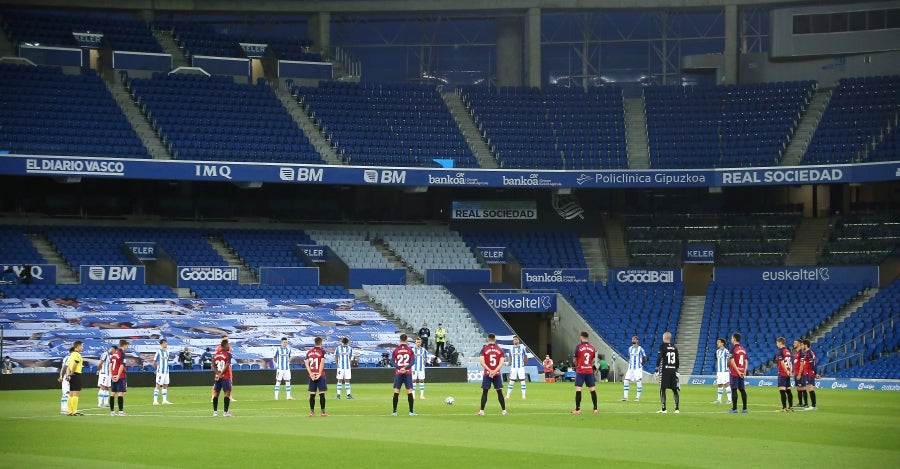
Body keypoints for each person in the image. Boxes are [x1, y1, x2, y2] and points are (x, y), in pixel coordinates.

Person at [477, 333, 507, 416]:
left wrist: (490, 371)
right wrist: (494, 371)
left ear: (488, 339)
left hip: (487, 374)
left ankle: (482, 411)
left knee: (485, 392)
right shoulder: (500, 349)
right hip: (496, 374)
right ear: (495, 339)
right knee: (499, 392)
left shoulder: (484, 349)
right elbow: (502, 363)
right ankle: (504, 410)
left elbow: (481, 362)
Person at [571, 331, 599, 414]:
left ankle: (577, 409)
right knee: (592, 389)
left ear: (581, 337)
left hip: (581, 370)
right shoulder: (592, 347)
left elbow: (575, 359)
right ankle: (595, 408)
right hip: (589, 370)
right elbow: (593, 359)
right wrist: (589, 365)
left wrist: (577, 366)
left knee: (578, 389)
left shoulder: (579, 347)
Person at [390, 334, 417, 416]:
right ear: (407, 340)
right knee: (409, 391)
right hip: (407, 373)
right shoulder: (410, 350)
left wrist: (399, 368)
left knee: (396, 391)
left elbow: (391, 362)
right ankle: (411, 411)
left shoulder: (396, 350)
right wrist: (405, 368)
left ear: (400, 340)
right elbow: (413, 362)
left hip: (398, 373)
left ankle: (394, 412)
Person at [656, 332, 680, 414]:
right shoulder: (674, 347)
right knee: (674, 389)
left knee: (662, 389)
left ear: (664, 337)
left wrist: (656, 369)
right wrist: (676, 370)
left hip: (665, 370)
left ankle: (664, 408)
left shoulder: (662, 346)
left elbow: (660, 357)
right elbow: (677, 360)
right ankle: (677, 408)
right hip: (673, 370)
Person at [305, 336, 328, 417]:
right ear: (321, 343)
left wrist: (311, 373)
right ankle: (323, 412)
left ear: (315, 343)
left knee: (312, 394)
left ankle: (312, 412)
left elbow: (306, 363)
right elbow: (322, 363)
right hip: (320, 375)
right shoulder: (322, 352)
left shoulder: (309, 352)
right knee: (322, 393)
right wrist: (319, 373)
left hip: (312, 375)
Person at [212, 339, 233, 417]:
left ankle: (215, 412)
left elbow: (212, 366)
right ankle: (225, 412)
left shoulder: (215, 354)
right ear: (225, 345)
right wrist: (221, 374)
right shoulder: (228, 354)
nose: (229, 347)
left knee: (216, 393)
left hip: (217, 377)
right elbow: (227, 365)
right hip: (225, 376)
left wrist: (218, 374)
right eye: (228, 345)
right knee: (227, 393)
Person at [728, 333, 748, 413]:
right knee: (742, 390)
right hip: (742, 372)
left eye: (732, 338)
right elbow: (746, 361)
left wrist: (738, 371)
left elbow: (732, 361)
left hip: (735, 373)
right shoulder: (743, 349)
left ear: (734, 339)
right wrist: (744, 371)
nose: (731, 339)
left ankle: (734, 408)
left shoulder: (732, 349)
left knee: (734, 389)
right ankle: (745, 408)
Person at [622, 335, 647, 402]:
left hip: (637, 368)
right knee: (626, 381)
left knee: (638, 381)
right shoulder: (630, 348)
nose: (633, 340)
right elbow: (629, 357)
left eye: (634, 339)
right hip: (630, 368)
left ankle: (637, 397)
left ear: (637, 340)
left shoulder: (640, 349)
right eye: (632, 339)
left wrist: (640, 365)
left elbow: (645, 358)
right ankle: (625, 397)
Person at [65, 341, 85, 416]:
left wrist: (68, 375)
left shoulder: (71, 355)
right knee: (76, 393)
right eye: (81, 346)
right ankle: (74, 411)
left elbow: (69, 366)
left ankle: (70, 411)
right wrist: (71, 374)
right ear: (78, 346)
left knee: (71, 393)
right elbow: (75, 365)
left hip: (71, 375)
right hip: (76, 374)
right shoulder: (77, 354)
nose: (82, 348)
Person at [109, 339, 129, 416]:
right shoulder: (122, 353)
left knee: (113, 393)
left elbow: (110, 365)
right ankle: (121, 412)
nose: (127, 347)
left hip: (113, 375)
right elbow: (121, 365)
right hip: (120, 376)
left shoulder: (114, 354)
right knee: (121, 393)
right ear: (124, 345)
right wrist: (118, 375)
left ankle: (112, 412)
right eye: (127, 345)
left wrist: (111, 375)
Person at [775, 337, 794, 412]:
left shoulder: (781, 352)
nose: (777, 344)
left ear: (780, 342)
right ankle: (791, 407)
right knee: (788, 390)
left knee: (782, 390)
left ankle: (784, 408)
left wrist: (786, 371)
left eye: (777, 343)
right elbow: (790, 363)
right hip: (788, 373)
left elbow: (782, 362)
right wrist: (790, 371)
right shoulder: (788, 351)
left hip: (783, 373)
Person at [506, 335, 527, 400]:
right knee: (512, 380)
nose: (515, 341)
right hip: (513, 367)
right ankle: (507, 395)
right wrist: (511, 363)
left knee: (522, 380)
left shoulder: (522, 347)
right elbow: (510, 357)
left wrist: (523, 364)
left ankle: (523, 395)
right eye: (514, 340)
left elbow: (525, 356)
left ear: (518, 340)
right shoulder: (511, 348)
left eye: (516, 339)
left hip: (521, 367)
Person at [712, 338, 733, 404]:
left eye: (718, 342)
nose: (717, 343)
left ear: (722, 343)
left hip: (725, 371)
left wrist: (727, 367)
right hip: (719, 371)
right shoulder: (717, 351)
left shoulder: (726, 351)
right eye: (717, 342)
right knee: (719, 384)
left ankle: (729, 400)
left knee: (726, 384)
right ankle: (719, 400)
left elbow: (729, 359)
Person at [153, 338, 173, 405]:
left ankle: (164, 400)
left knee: (165, 385)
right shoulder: (158, 351)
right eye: (164, 343)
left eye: (166, 343)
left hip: (166, 371)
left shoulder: (167, 351)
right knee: (158, 385)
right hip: (160, 371)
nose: (165, 344)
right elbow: (154, 362)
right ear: (161, 344)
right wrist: (156, 369)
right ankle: (155, 401)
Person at [802, 339, 818, 411]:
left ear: (805, 345)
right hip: (807, 372)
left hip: (809, 373)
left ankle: (813, 406)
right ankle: (813, 405)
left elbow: (813, 364)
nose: (801, 346)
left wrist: (816, 373)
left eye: (802, 345)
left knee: (810, 388)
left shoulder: (809, 353)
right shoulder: (807, 353)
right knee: (809, 388)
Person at [58, 347, 73, 414]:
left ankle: (67, 408)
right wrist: (61, 376)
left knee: (70, 393)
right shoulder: (68, 358)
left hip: (71, 377)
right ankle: (64, 408)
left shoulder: (74, 358)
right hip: (67, 377)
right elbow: (63, 368)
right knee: (66, 393)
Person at [792, 338, 807, 408]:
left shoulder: (801, 353)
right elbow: (796, 364)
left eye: (795, 343)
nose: (793, 344)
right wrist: (794, 372)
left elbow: (802, 364)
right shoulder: (796, 353)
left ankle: (806, 403)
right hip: (796, 373)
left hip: (800, 373)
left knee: (803, 388)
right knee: (798, 388)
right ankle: (800, 403)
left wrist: (799, 374)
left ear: (799, 344)